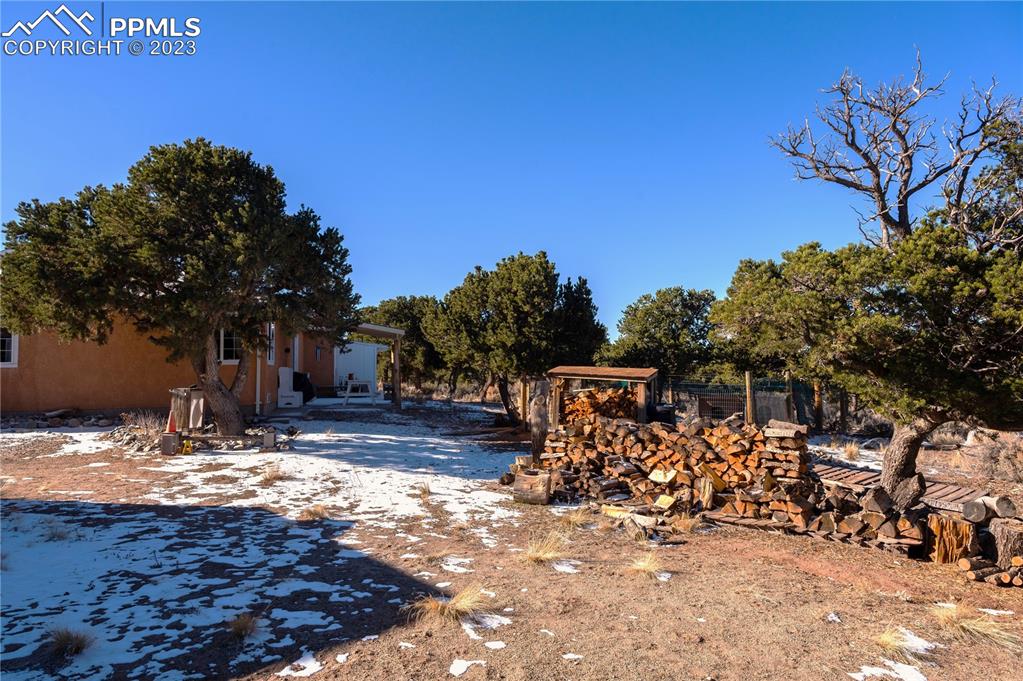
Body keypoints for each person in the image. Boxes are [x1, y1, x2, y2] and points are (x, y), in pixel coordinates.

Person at [527, 379, 550, 468]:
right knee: (536, 444)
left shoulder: (539, 400)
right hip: (536, 427)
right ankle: (536, 462)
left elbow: (540, 399)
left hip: (540, 427)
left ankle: (538, 462)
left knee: (538, 444)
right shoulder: (535, 400)